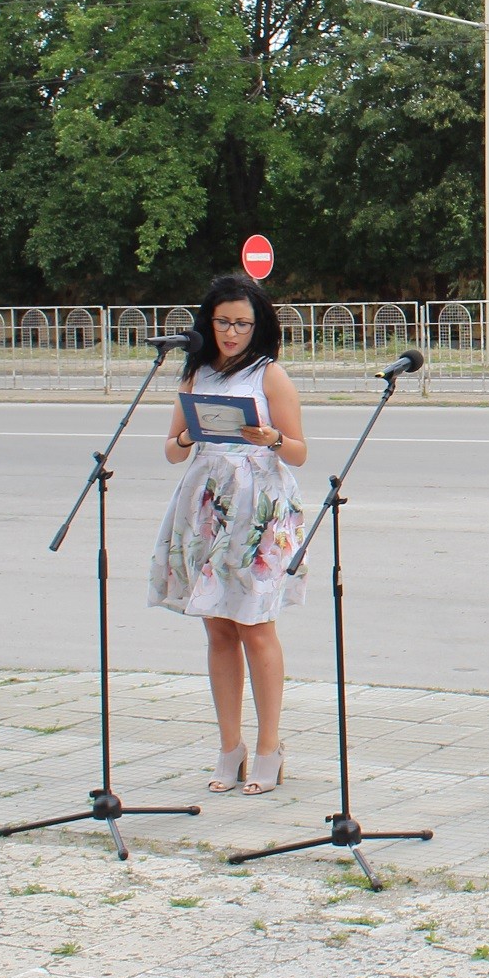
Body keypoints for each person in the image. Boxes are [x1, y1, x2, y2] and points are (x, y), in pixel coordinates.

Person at [151, 273, 309, 797]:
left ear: (258, 324)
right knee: (218, 627)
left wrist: (273, 437)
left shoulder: (269, 376)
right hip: (207, 505)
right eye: (223, 322)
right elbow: (173, 451)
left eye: (242, 323)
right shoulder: (195, 373)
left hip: (257, 506)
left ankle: (269, 747)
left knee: (254, 625)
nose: (232, 332)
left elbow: (300, 451)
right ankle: (229, 747)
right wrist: (184, 433)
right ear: (209, 322)